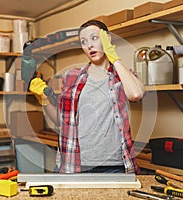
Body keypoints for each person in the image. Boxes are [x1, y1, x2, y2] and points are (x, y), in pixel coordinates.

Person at [29, 20, 145, 174]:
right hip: (77, 163)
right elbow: (62, 122)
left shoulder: (123, 75)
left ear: (107, 39)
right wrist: (43, 100)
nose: (89, 45)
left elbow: (135, 94)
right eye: (84, 42)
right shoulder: (71, 77)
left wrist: (114, 58)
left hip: (114, 165)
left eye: (95, 38)